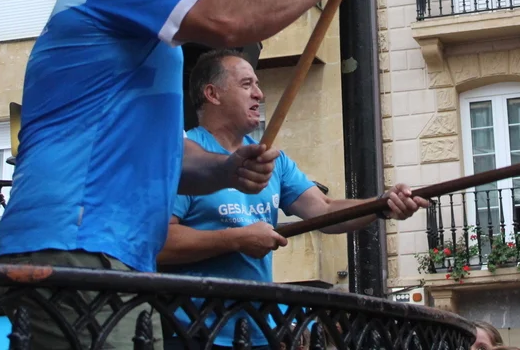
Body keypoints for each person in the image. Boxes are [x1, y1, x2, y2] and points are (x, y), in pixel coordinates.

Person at [0, 0, 381, 349]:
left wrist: (226, 169)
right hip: (77, 241)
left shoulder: (126, 27)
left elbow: (171, 159)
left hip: (109, 252)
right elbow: (227, 21)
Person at [158, 49, 430, 347]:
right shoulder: (184, 158)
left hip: (257, 333)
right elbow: (160, 243)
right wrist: (236, 239)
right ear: (212, 94)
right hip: (193, 332)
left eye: (258, 84)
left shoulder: (274, 161)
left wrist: (382, 205)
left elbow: (324, 209)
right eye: (247, 84)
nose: (259, 94)